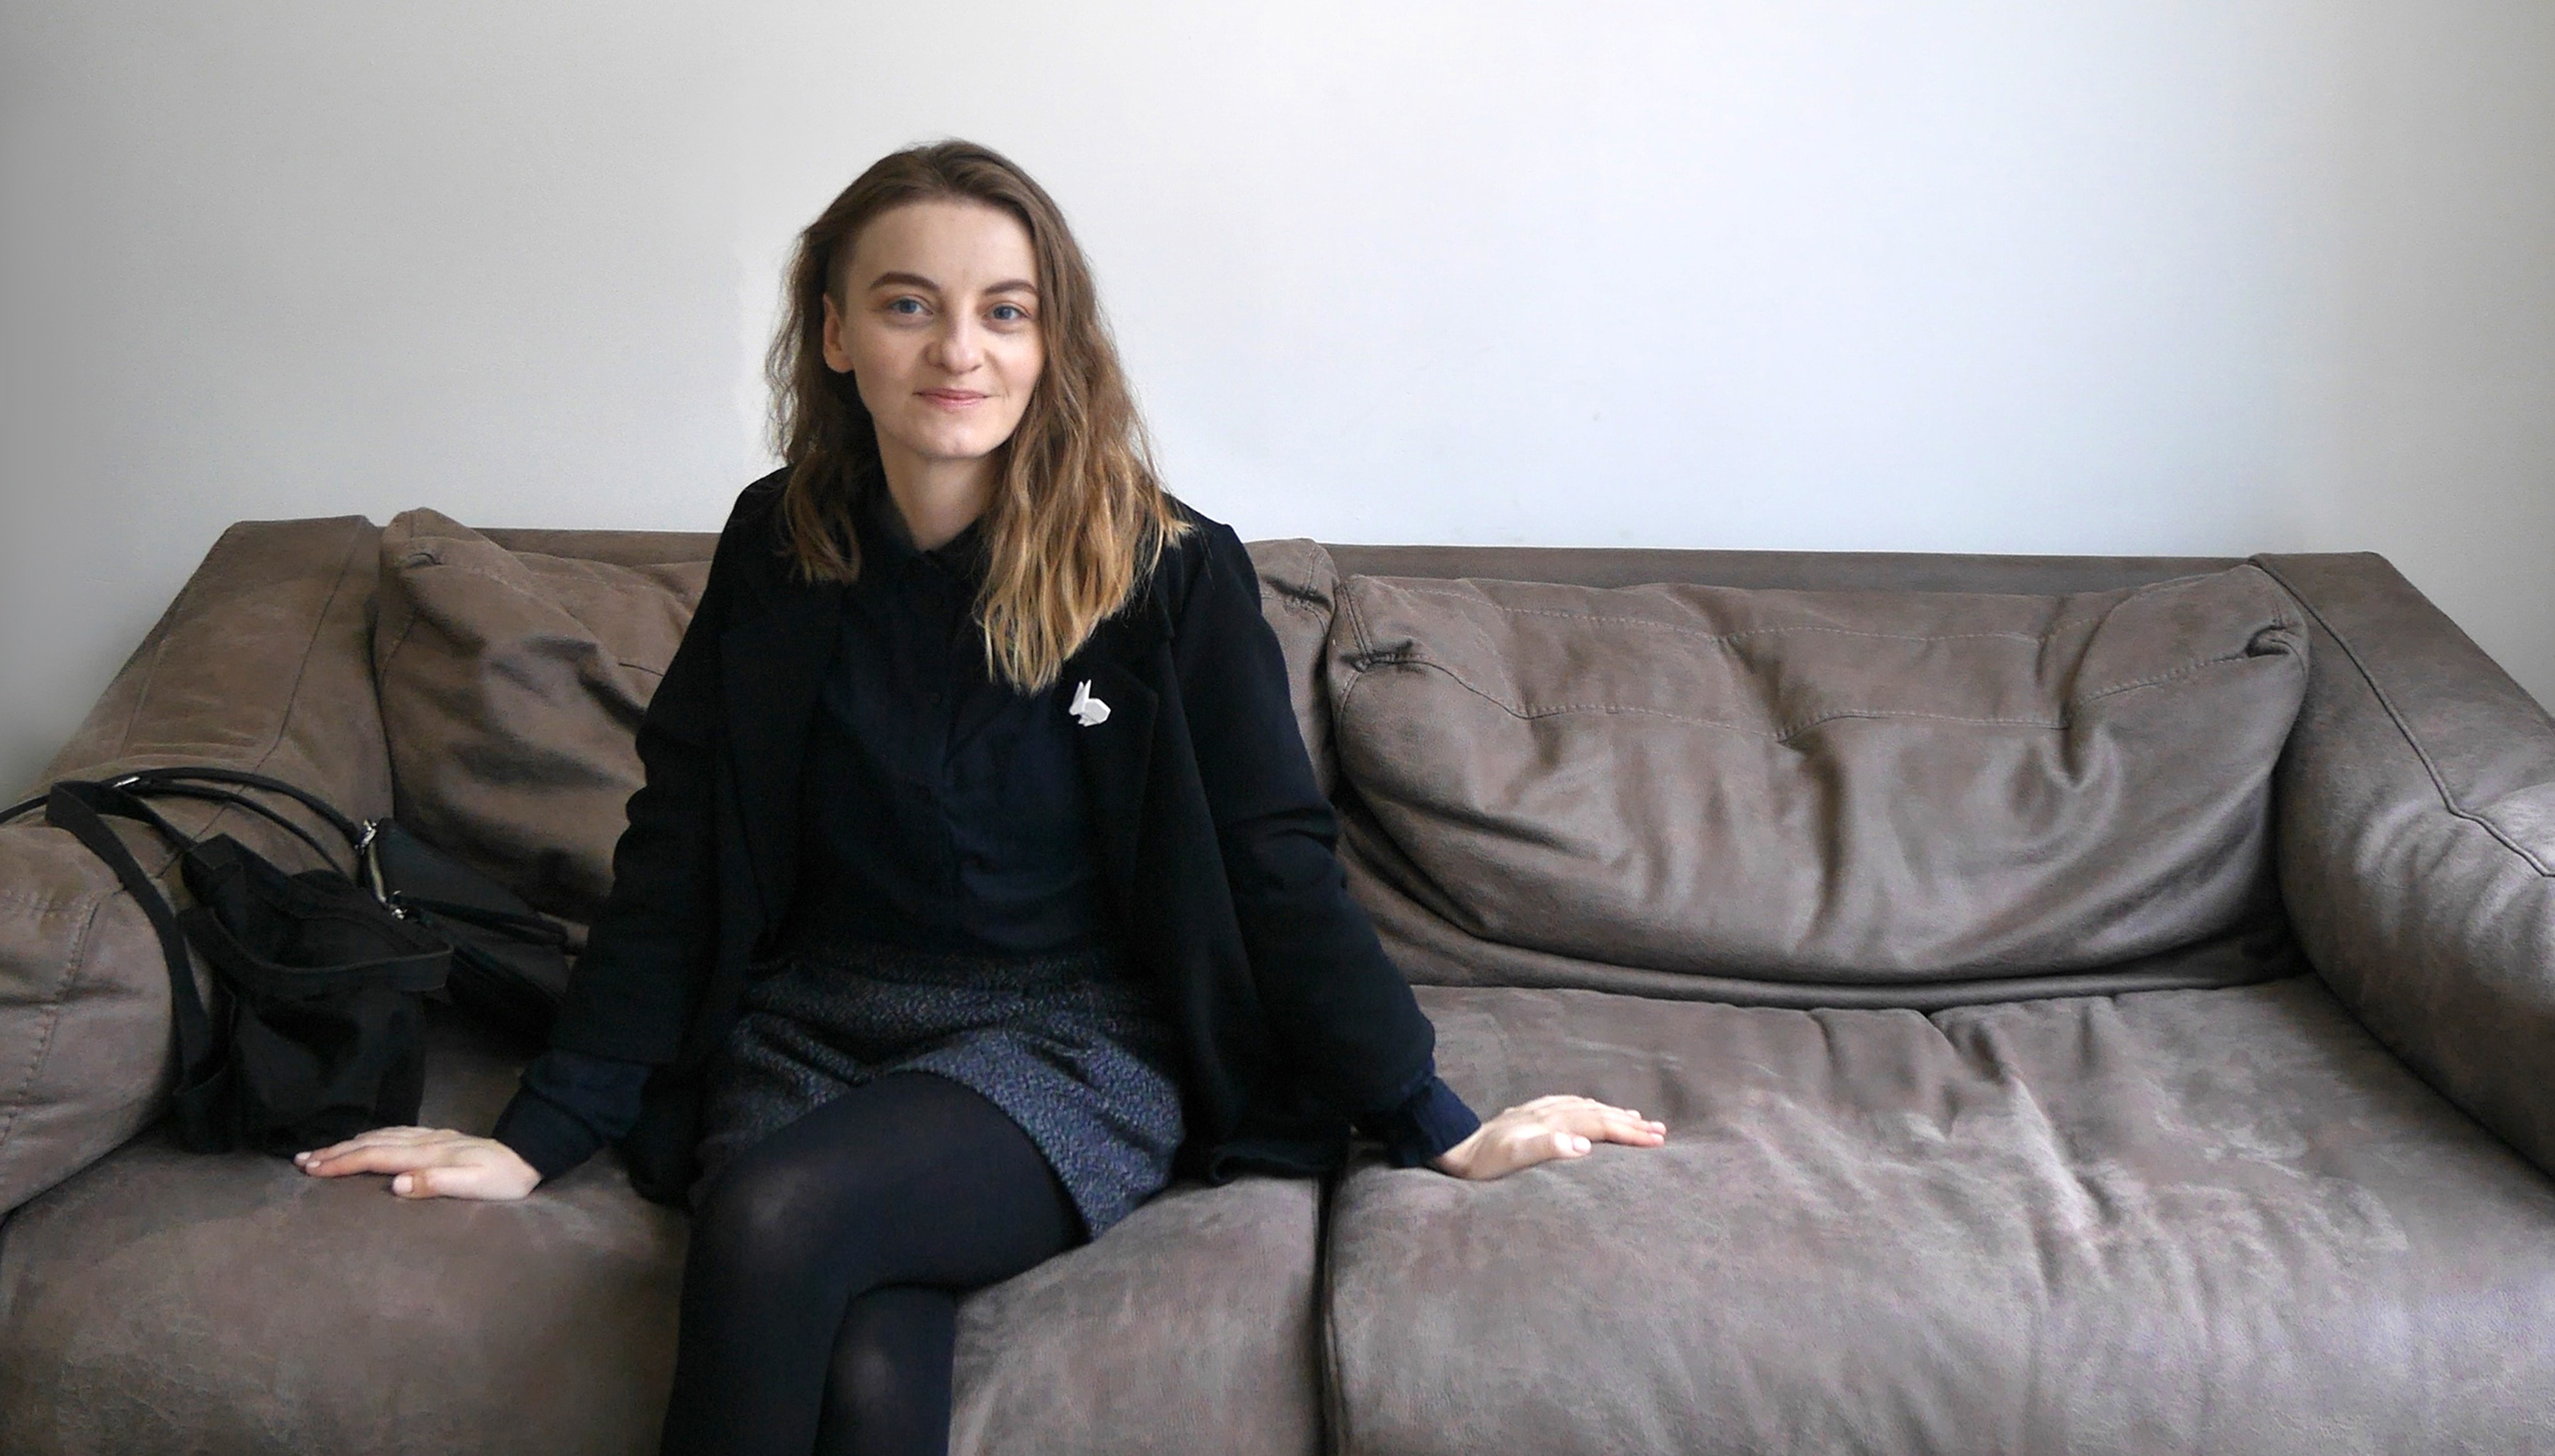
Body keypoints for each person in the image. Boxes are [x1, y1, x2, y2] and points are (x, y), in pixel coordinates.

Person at [299, 140, 1666, 1454]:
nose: (960, 351)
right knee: (866, 1360)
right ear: (837, 334)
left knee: (776, 1216)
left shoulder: (1168, 574)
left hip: (1067, 1039)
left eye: (1005, 312)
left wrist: (1433, 1119)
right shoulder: (778, 546)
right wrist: (540, 1136)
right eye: (910, 306)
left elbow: (1277, 867)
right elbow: (680, 847)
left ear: (1051, 342)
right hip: (809, 1030)